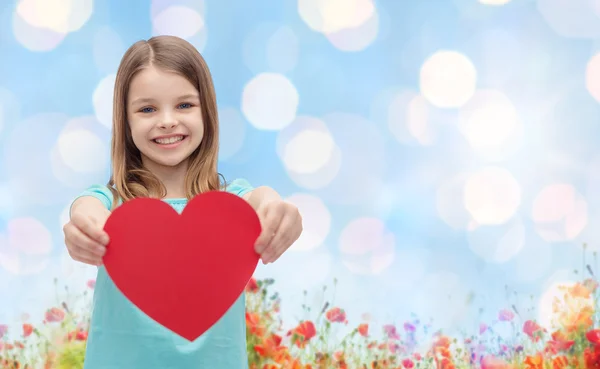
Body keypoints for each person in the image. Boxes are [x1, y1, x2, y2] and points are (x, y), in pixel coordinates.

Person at [62, 35, 303, 368]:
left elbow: (260, 200)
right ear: (126, 120)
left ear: (207, 112)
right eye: (147, 109)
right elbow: (86, 209)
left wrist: (277, 207)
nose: (167, 120)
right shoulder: (114, 205)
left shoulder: (229, 206)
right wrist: (85, 228)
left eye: (184, 105)